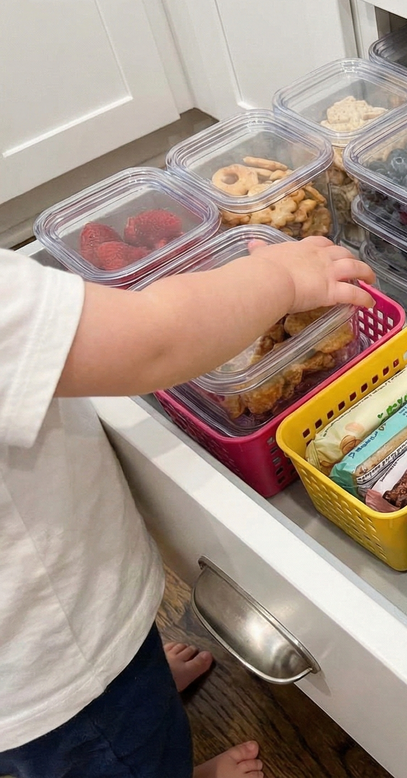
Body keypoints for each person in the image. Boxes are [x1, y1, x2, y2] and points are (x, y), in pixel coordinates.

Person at [0, 235, 376, 778]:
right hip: (60, 671)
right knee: (122, 754)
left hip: (33, 658)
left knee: (129, 707)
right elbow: (152, 339)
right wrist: (282, 279)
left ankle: (143, 692)